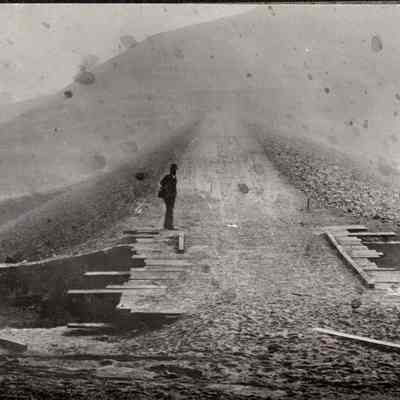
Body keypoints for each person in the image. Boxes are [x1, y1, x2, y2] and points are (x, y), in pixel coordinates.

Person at [159, 163, 178, 230]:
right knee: (169, 210)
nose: (175, 171)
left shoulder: (174, 177)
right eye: (174, 169)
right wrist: (166, 189)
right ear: (171, 170)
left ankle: (167, 225)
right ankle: (169, 225)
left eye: (175, 169)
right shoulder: (168, 177)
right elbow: (161, 183)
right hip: (168, 196)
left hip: (172, 196)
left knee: (169, 210)